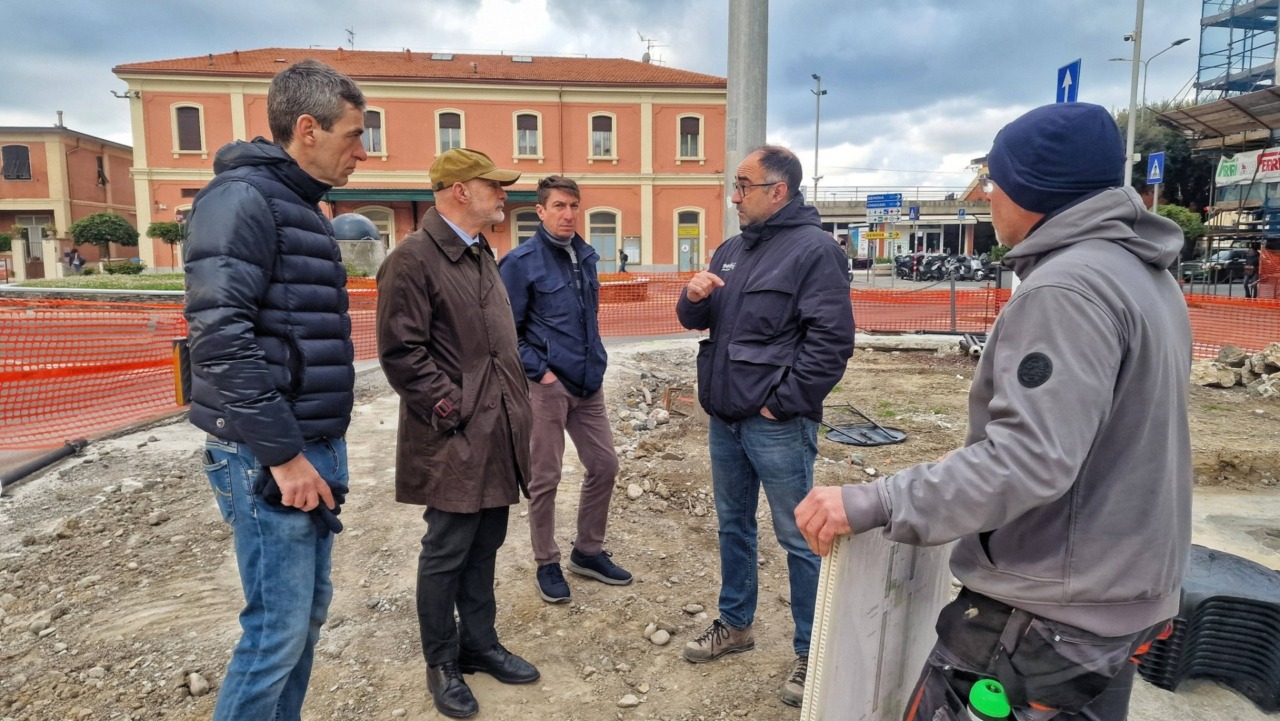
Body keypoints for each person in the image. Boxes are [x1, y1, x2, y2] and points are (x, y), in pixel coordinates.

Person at [796, 103, 1192, 721]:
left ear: (1034, 187)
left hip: (1049, 617)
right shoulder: (1144, 275)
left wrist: (876, 500)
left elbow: (1029, 458)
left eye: (996, 180)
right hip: (1116, 596)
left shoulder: (1066, 289)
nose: (989, 196)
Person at [183, 59, 367, 721]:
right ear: (309, 128)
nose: (363, 150)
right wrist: (283, 456)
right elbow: (219, 335)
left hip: (309, 445)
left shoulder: (301, 207)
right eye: (354, 134)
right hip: (269, 456)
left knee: (305, 620)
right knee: (275, 632)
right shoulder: (243, 200)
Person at [675, 145, 855, 707]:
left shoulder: (816, 251)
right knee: (733, 525)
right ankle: (736, 623)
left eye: (743, 186)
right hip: (725, 418)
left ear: (778, 191)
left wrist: (784, 404)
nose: (734, 196)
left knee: (800, 537)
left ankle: (811, 651)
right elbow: (699, 322)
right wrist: (692, 297)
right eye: (735, 185)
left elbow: (831, 342)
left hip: (775, 423)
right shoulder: (731, 249)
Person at [376, 147, 538, 719]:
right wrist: (454, 409)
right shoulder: (413, 259)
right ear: (459, 190)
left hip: (497, 429)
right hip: (455, 433)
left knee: (486, 543)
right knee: (446, 549)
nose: (504, 195)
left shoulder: (478, 253)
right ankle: (442, 661)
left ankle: (480, 644)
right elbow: (401, 353)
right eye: (494, 185)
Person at [498, 176, 631, 605]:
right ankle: (546, 561)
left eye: (573, 205)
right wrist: (542, 373)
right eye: (558, 205)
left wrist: (597, 364)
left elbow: (587, 320)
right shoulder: (520, 263)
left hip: (588, 385)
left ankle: (587, 551)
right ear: (540, 211)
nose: (568, 214)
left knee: (605, 465)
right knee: (546, 476)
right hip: (547, 388)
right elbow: (505, 333)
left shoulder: (586, 257)